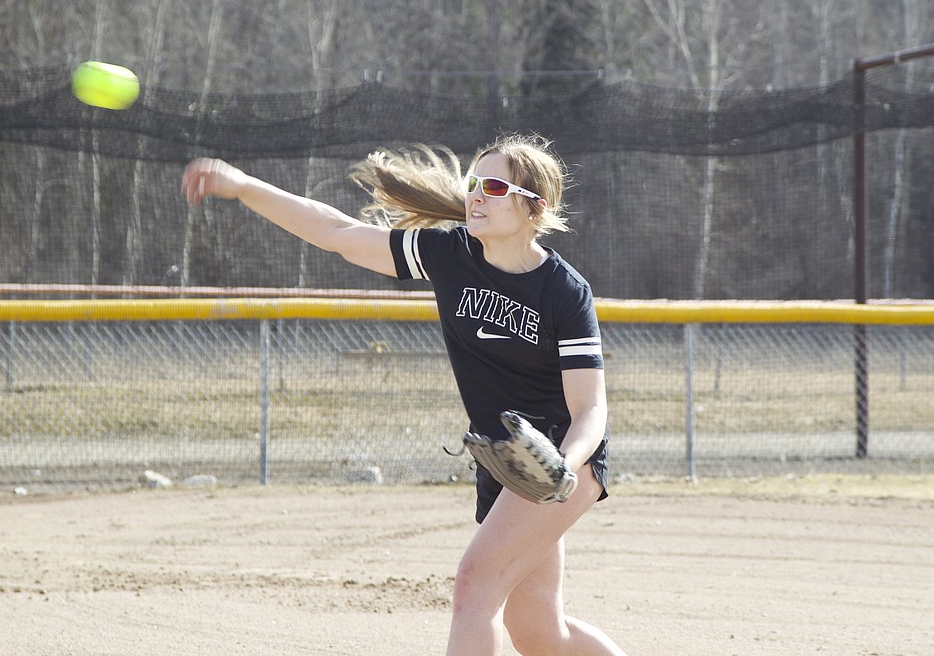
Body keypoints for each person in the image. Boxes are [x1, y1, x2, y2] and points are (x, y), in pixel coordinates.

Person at [181, 133, 626, 656]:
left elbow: (590, 408)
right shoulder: (450, 256)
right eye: (474, 183)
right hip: (507, 464)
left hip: (562, 464)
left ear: (534, 207)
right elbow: (338, 232)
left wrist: (563, 466)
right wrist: (243, 185)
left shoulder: (564, 291)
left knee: (473, 588)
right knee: (538, 632)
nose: (477, 195)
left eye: (495, 185)